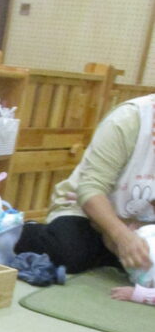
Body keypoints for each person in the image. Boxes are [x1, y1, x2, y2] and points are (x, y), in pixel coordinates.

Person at [13, 94, 155, 275]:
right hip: (88, 211)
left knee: (144, 260)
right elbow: (91, 189)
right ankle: (20, 231)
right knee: (70, 253)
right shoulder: (128, 120)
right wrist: (121, 236)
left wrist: (137, 230)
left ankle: (107, 253)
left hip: (140, 223)